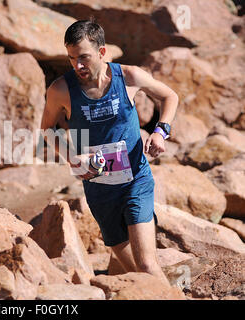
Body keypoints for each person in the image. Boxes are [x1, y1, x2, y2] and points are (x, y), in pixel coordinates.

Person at [40, 19, 178, 285]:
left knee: (147, 266)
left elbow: (170, 96)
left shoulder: (129, 77)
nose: (77, 65)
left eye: (83, 58)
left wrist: (161, 132)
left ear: (102, 53)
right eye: (71, 58)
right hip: (99, 189)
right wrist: (71, 156)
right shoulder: (60, 90)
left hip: (135, 180)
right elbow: (47, 129)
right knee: (135, 277)